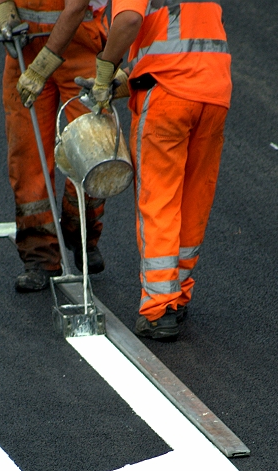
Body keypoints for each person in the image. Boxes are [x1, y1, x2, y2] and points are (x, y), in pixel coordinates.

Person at [83, 0, 232, 340]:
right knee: (195, 197)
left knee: (159, 196)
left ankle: (159, 307)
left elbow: (128, 21)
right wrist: (123, 81)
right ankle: (177, 297)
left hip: (168, 97)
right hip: (214, 90)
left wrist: (104, 71)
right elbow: (173, 41)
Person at [0, 0, 111, 292]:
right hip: (26, 45)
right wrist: (3, 11)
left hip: (79, 40)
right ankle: (40, 256)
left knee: (94, 153)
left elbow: (77, 6)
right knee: (27, 157)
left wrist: (42, 66)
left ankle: (80, 231)